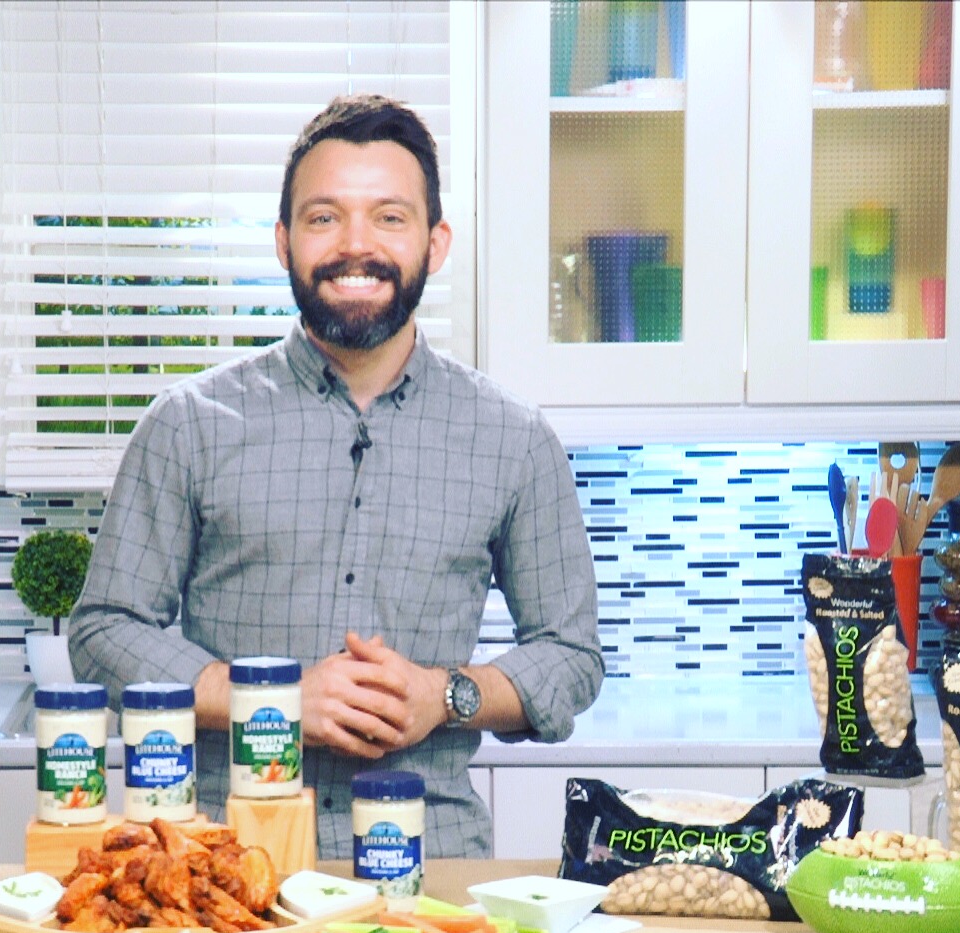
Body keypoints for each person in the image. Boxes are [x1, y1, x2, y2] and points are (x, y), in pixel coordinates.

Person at [69, 94, 602, 858]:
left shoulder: (514, 438)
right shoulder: (187, 422)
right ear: (284, 242)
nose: (357, 246)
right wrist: (271, 703)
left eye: (389, 217)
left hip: (432, 861)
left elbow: (571, 655)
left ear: (436, 241)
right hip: (221, 863)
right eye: (324, 218)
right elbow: (102, 634)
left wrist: (443, 695)